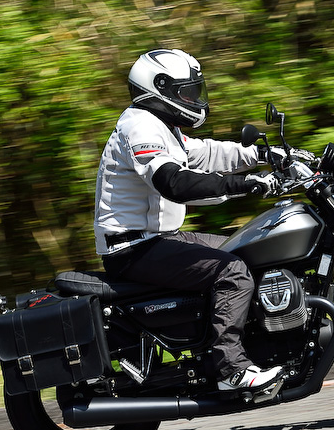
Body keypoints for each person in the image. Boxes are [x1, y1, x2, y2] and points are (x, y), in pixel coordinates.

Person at [94, 48, 283, 392]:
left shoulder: (163, 127)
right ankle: (231, 369)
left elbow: (206, 152)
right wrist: (244, 184)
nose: (195, 99)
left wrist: (261, 155)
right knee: (232, 272)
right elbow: (173, 182)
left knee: (245, 249)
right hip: (133, 249)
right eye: (187, 92)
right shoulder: (139, 128)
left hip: (160, 239)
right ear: (159, 89)